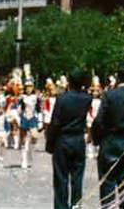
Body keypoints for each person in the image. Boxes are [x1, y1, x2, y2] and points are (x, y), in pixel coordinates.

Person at [91, 65, 124, 209]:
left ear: (118, 77)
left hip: (110, 144)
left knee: (107, 186)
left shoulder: (109, 95)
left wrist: (97, 139)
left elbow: (99, 121)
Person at [48, 68, 91, 209]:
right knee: (77, 178)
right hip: (78, 139)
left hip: (63, 139)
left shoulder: (62, 98)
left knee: (61, 178)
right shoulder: (86, 98)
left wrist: (50, 142)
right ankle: (76, 205)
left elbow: (55, 122)